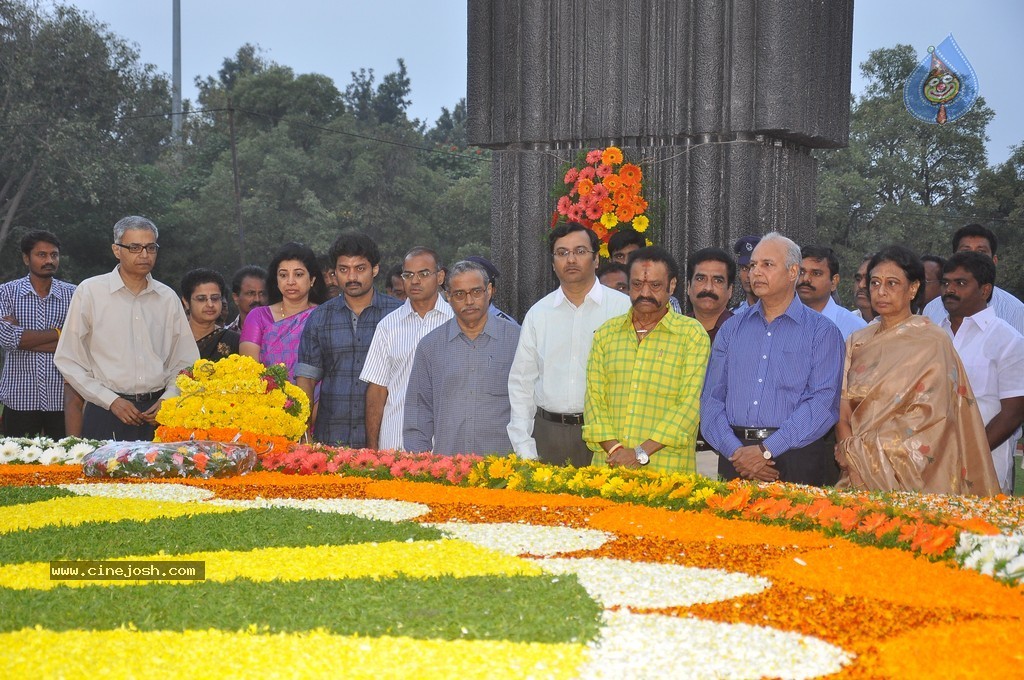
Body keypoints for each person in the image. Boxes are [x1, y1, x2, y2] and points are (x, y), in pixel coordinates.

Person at [834, 245, 1000, 496]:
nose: (881, 291)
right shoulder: (857, 341)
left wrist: (860, 453)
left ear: (913, 288)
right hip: (853, 468)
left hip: (910, 473)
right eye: (875, 283)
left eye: (892, 283)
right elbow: (843, 405)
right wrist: (849, 453)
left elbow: (932, 416)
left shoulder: (932, 341)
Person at [701, 232, 845, 486]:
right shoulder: (732, 329)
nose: (755, 272)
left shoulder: (822, 332)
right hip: (736, 456)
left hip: (795, 454)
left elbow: (822, 403)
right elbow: (711, 400)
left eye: (767, 264)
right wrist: (736, 452)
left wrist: (766, 450)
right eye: (752, 265)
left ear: (793, 272)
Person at [54, 216, 199, 440]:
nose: (144, 254)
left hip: (158, 413)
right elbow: (67, 359)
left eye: (151, 247)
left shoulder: (167, 297)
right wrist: (110, 400)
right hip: (105, 410)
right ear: (116, 250)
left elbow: (186, 360)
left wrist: (169, 398)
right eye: (135, 247)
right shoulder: (90, 292)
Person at [507, 222, 631, 465]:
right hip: (549, 433)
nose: (571, 259)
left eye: (580, 251)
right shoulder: (539, 314)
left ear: (596, 259)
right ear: (553, 264)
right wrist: (524, 448)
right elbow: (522, 384)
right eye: (562, 253)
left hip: (609, 437)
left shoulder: (623, 309)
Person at [584, 247, 710, 472]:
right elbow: (594, 401)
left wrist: (639, 453)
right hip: (609, 467)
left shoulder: (691, 335)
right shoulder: (606, 334)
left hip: (667, 471)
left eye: (655, 285)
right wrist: (616, 451)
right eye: (636, 285)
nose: (644, 293)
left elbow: (689, 405)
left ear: (672, 285)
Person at [295, 233, 402, 448]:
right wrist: (304, 434)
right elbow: (306, 380)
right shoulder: (320, 317)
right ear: (334, 273)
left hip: (386, 438)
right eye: (344, 269)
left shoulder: (398, 315)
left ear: (375, 269)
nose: (352, 277)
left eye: (360, 268)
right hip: (331, 438)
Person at [404, 260, 520, 455]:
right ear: (448, 297)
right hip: (448, 467)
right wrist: (420, 464)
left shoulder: (516, 340)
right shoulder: (430, 346)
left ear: (489, 291)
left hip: (503, 467)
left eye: (476, 292)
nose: (469, 301)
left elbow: (532, 405)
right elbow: (418, 412)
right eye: (459, 294)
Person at [938, 252, 1024, 494]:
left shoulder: (1008, 340)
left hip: (985, 468)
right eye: (945, 283)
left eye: (960, 283)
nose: (949, 290)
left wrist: (968, 455)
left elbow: (1013, 414)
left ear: (985, 290)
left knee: (979, 523)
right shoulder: (933, 335)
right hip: (932, 466)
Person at [360, 247, 452, 450]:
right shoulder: (387, 326)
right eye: (408, 275)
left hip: (446, 444)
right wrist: (372, 448)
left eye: (424, 274)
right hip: (395, 442)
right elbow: (376, 392)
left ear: (440, 277)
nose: (415, 281)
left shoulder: (456, 322)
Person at [0, 230, 76, 437]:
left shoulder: (74, 294)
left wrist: (22, 338)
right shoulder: (6, 292)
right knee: (18, 455)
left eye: (54, 255)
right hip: (19, 396)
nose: (49, 260)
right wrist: (62, 333)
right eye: (42, 255)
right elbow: (6, 339)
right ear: (27, 258)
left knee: (66, 455)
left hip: (63, 396)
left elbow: (82, 343)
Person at [240, 243, 327, 382]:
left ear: (312, 280)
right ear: (277, 280)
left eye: (298, 274)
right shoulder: (258, 317)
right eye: (283, 275)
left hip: (318, 395)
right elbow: (249, 372)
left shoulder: (324, 316)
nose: (290, 282)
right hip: (266, 394)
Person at [922, 224, 1024, 336]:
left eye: (981, 252)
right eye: (965, 251)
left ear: (994, 261)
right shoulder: (932, 308)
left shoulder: (1015, 310)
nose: (972, 258)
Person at [797, 245, 866, 339]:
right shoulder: (780, 319)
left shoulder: (855, 328)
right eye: (801, 272)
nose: (805, 279)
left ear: (834, 281)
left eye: (816, 273)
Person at [179, 268, 240, 361]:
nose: (210, 304)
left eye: (215, 298)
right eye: (201, 299)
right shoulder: (173, 339)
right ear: (186, 302)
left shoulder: (233, 341)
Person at [685, 247, 734, 345]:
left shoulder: (742, 331)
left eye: (718, 281)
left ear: (730, 290)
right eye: (700, 279)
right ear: (688, 287)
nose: (708, 288)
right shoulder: (676, 330)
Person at [465, 255, 518, 325]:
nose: (469, 300)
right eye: (461, 292)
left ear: (491, 290)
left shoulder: (506, 326)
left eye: (476, 291)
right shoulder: (454, 321)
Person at [225, 265, 266, 333]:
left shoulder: (279, 333)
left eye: (262, 293)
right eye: (250, 293)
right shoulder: (226, 335)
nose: (257, 299)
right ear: (236, 297)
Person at [732, 235, 760, 312]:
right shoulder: (734, 314)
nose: (748, 275)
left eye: (753, 267)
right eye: (744, 268)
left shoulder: (782, 313)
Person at [851, 255, 876, 321]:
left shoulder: (898, 324)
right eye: (858, 279)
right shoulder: (845, 321)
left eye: (869, 280)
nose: (861, 285)